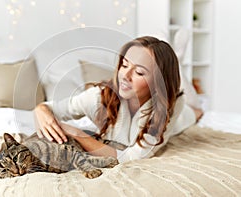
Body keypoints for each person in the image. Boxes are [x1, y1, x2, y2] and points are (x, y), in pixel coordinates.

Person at [34, 36, 203, 163]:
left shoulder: (170, 106)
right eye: (124, 65)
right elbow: (47, 108)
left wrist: (78, 134)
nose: (125, 76)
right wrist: (40, 109)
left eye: (139, 72)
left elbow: (131, 157)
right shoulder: (96, 98)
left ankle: (178, 63)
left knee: (195, 112)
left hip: (178, 115)